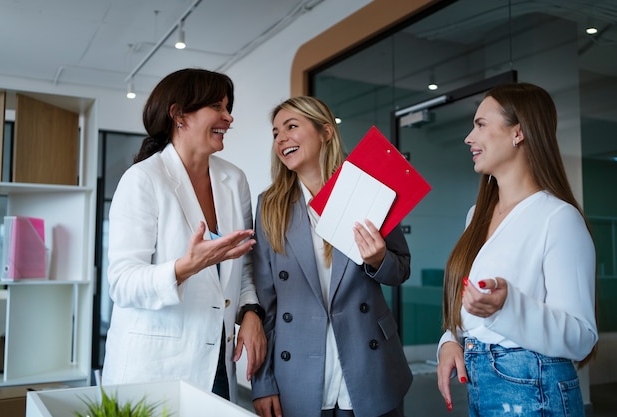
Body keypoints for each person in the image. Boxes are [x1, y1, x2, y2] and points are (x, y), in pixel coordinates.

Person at [101, 68, 266, 402]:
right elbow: (122, 283)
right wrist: (185, 267)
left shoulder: (234, 181)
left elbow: (245, 264)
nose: (228, 117)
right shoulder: (143, 180)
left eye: (228, 107)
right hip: (154, 367)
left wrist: (251, 313)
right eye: (217, 108)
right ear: (179, 115)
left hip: (218, 360)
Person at [436, 83, 598, 416]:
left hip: (535, 390)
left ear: (518, 132)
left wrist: (509, 307)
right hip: (482, 385)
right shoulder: (476, 215)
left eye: (480, 124)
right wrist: (450, 341)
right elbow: (470, 309)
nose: (469, 137)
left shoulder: (558, 218)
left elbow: (582, 335)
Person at [250, 96, 413, 417]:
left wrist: (379, 258)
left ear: (325, 132)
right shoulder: (269, 205)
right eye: (275, 133)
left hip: (371, 366)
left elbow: (401, 270)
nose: (281, 138)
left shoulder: (368, 189)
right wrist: (263, 382)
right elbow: (265, 302)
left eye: (291, 126)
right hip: (298, 373)